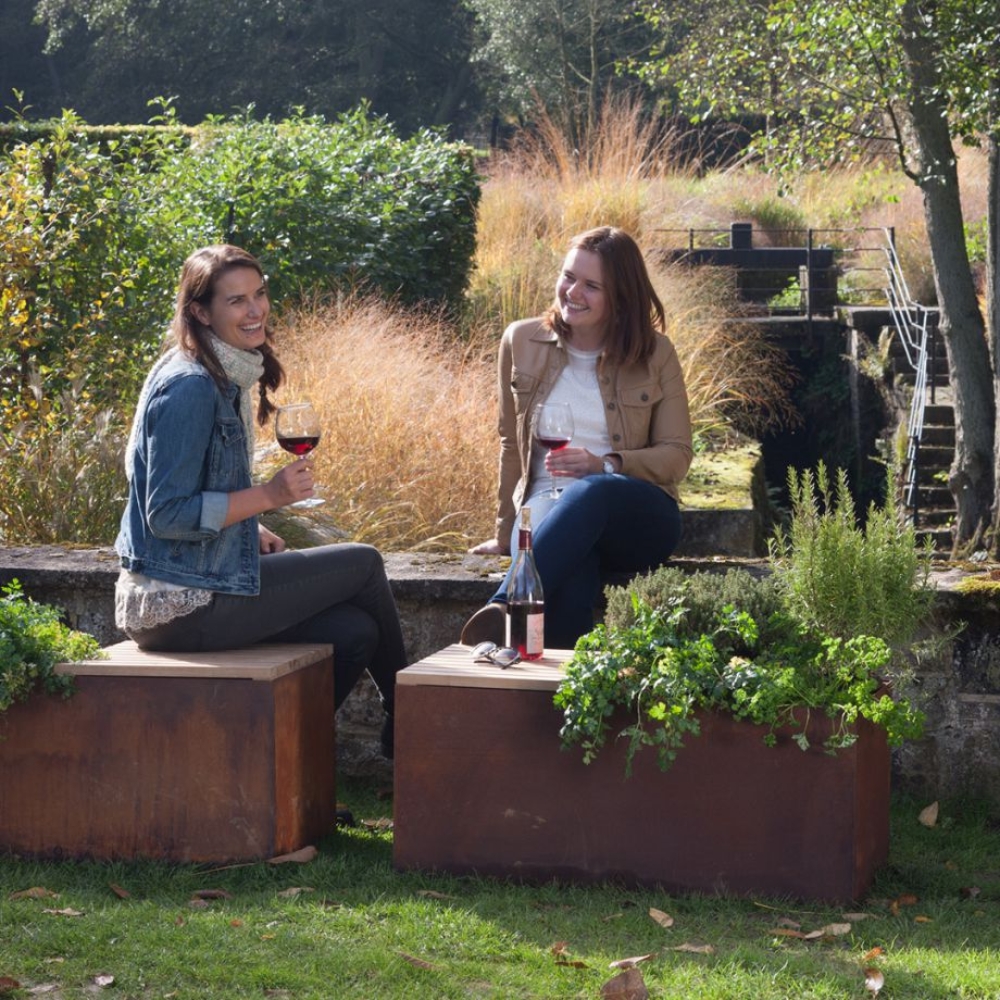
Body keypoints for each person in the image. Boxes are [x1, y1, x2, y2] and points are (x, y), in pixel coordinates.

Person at [114, 244, 405, 756]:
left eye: (260, 294)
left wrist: (250, 525)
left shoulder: (217, 371)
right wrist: (270, 495)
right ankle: (408, 719)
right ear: (201, 312)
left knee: (355, 631)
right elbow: (165, 512)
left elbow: (189, 491)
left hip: (205, 581)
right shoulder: (190, 386)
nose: (255, 311)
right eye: (236, 301)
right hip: (180, 605)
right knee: (363, 563)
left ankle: (292, 778)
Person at [462, 226, 693, 650]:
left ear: (621, 297)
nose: (573, 292)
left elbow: (677, 455)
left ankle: (502, 608)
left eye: (591, 286)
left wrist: (607, 464)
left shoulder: (656, 353)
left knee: (594, 491)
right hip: (546, 511)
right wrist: (504, 532)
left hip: (633, 512)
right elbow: (510, 443)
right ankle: (560, 707)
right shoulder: (521, 339)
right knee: (570, 578)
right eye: (569, 277)